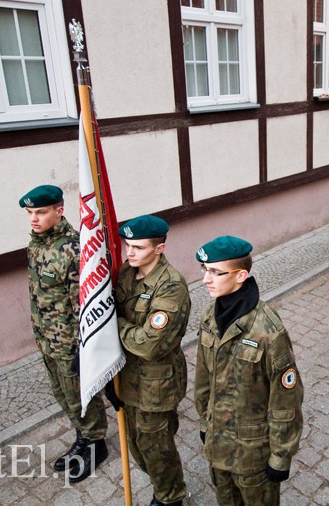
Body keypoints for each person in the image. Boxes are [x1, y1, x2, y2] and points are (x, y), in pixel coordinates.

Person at [194, 236, 304, 505]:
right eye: (204, 270)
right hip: (218, 444)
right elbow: (203, 379)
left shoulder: (267, 330)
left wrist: (280, 455)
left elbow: (286, 398)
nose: (206, 279)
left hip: (252, 452)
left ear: (241, 275)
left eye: (215, 272)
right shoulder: (210, 315)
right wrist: (205, 421)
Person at [20, 185, 108, 483]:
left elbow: (82, 305)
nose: (34, 219)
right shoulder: (37, 244)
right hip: (46, 338)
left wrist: (83, 347)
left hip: (69, 343)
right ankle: (82, 437)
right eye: (30, 213)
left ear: (59, 211)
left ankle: (96, 444)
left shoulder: (73, 249)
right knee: (62, 394)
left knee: (80, 396)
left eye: (41, 212)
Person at [114, 215, 190, 506]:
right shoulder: (127, 271)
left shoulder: (171, 286)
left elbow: (149, 344)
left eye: (138, 248)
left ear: (159, 249)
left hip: (156, 383)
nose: (130, 252)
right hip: (128, 377)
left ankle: (170, 497)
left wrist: (115, 325)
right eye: (127, 246)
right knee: (136, 444)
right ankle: (162, 485)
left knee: (157, 448)